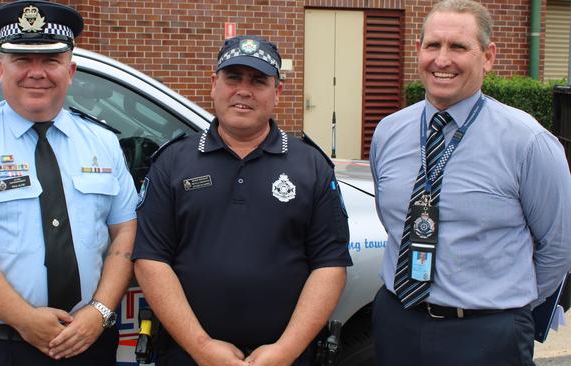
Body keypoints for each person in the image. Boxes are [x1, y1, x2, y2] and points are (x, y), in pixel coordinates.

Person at [0, 1, 139, 365]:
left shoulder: (102, 142)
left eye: (50, 61)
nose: (36, 73)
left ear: (70, 71)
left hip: (90, 342)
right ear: (0, 69)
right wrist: (25, 320)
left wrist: (98, 312)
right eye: (22, 60)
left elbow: (126, 230)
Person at [370, 0, 571, 365]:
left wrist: (503, 305)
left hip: (487, 336)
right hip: (396, 323)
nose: (442, 60)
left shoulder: (528, 142)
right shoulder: (388, 132)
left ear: (488, 56)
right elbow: (394, 221)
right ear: (419, 51)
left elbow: (558, 246)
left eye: (458, 47)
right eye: (433, 45)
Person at [132, 35, 352, 366]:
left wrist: (285, 351)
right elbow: (151, 260)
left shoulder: (311, 165)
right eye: (233, 77)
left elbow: (330, 264)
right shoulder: (173, 162)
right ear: (214, 84)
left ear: (277, 92)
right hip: (189, 356)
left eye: (259, 81)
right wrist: (202, 347)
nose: (244, 90)